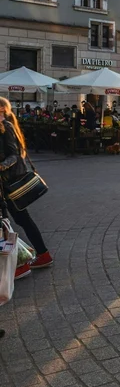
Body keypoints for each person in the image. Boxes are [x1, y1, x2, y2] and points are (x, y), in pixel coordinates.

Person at [0, 96, 53, 280]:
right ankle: (40, 255)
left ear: (2, 110)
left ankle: (22, 263)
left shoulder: (6, 127)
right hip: (5, 184)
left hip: (9, 184)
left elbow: (14, 155)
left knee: (10, 222)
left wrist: (1, 166)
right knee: (18, 220)